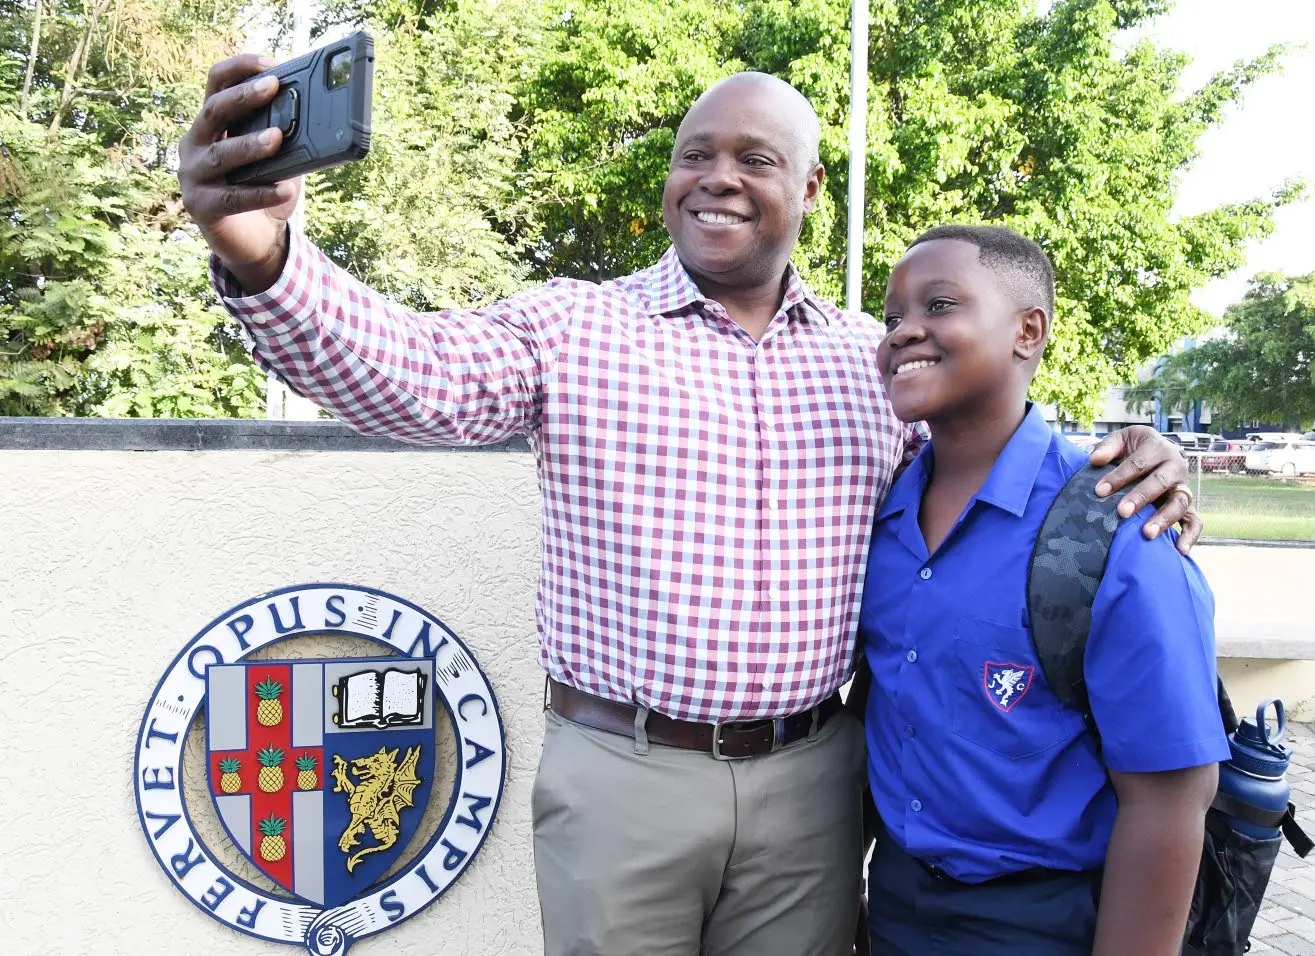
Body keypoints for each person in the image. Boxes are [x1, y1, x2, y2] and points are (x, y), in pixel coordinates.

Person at [178, 60, 1199, 955]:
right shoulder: (575, 326)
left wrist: (1132, 453)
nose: (716, 176)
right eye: (693, 152)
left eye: (755, 158)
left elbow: (987, 447)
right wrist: (268, 258)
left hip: (813, 781)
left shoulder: (869, 360)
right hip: (625, 772)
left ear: (807, 188)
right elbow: (413, 373)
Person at [861, 224, 1228, 956]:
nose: (904, 331)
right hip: (899, 904)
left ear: (1028, 330)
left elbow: (1167, 801)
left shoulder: (1117, 529)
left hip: (1042, 921)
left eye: (939, 305)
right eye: (892, 314)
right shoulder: (884, 508)